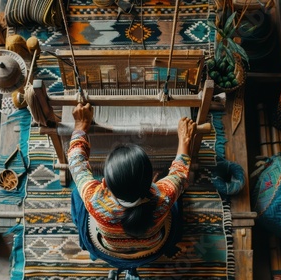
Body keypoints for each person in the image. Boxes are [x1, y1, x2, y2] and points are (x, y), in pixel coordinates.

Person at [68, 103, 196, 273]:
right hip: (152, 249)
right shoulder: (164, 195)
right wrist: (184, 139)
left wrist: (81, 125)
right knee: (178, 197)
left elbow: (76, 161)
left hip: (109, 250)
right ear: (151, 180)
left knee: (78, 192)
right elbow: (180, 173)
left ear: (104, 184)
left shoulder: (95, 198)